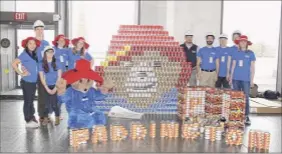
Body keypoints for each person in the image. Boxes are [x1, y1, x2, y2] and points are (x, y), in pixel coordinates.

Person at [11, 37, 41, 128]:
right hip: (27, 82)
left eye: (34, 43)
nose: (32, 45)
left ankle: (32, 116)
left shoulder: (34, 54)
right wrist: (21, 73)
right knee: (28, 101)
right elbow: (13, 63)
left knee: (31, 100)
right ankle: (28, 120)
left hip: (33, 82)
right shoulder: (24, 54)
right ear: (26, 45)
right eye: (30, 43)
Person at [230, 35, 255, 125]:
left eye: (244, 41)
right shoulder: (236, 53)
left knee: (246, 98)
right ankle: (235, 115)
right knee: (235, 98)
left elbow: (252, 68)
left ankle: (246, 116)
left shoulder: (251, 53)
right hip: (236, 79)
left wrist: (252, 80)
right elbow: (233, 66)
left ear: (247, 43)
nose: (243, 43)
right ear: (239, 43)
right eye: (241, 41)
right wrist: (231, 77)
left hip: (246, 80)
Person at [38, 46, 62, 126]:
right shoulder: (41, 63)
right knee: (45, 103)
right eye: (48, 52)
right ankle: (45, 118)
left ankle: (57, 117)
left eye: (52, 52)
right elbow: (42, 78)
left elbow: (59, 77)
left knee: (54, 104)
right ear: (45, 53)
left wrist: (55, 88)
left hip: (55, 85)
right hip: (46, 86)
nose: (50, 53)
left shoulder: (57, 62)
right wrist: (47, 88)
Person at [33, 20, 51, 123]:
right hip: (35, 72)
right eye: (38, 29)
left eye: (41, 29)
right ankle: (40, 115)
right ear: (34, 30)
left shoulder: (46, 43)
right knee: (40, 94)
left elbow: (49, 56)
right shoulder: (32, 42)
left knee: (45, 93)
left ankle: (46, 114)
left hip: (45, 72)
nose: (40, 31)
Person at [52, 34, 70, 120]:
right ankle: (52, 113)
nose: (62, 42)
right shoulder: (53, 50)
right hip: (55, 76)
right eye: (60, 40)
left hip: (64, 77)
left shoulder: (67, 51)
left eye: (63, 40)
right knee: (54, 95)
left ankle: (57, 114)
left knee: (60, 95)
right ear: (57, 41)